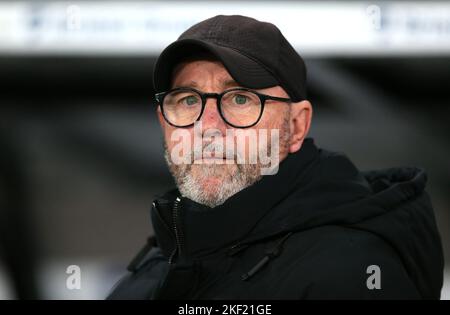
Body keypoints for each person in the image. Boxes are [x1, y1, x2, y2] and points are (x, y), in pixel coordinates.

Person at [107, 15, 444, 299]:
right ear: (163, 121)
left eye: (240, 99)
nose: (207, 127)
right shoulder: (157, 265)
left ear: (296, 126)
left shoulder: (349, 274)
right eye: (188, 100)